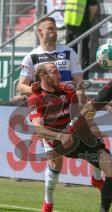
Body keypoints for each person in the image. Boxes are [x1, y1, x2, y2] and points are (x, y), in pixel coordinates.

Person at [27, 48, 112, 212]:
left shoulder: (66, 91)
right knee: (55, 166)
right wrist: (59, 135)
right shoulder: (36, 99)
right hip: (61, 141)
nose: (60, 74)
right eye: (55, 71)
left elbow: (85, 106)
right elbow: (38, 129)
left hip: (77, 138)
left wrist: (108, 107)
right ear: (43, 77)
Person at [18, 17, 104, 197]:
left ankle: (97, 178)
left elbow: (80, 81)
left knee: (96, 137)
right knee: (56, 162)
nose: (54, 31)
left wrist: (82, 98)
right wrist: (35, 88)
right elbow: (20, 86)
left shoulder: (68, 52)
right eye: (50, 28)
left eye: (55, 28)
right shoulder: (32, 57)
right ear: (39, 32)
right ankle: (47, 201)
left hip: (71, 107)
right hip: (50, 114)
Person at [64, 0, 98, 79]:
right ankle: (71, 76)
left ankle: (83, 77)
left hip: (80, 25)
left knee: (82, 52)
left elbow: (93, 7)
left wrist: (88, 20)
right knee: (71, 52)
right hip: (72, 25)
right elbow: (93, 8)